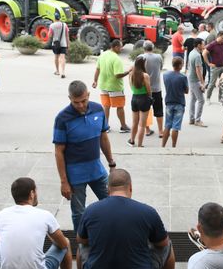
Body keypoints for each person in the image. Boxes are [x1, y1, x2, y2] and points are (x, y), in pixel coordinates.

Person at [75, 169, 180, 269]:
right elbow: (162, 243)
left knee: (81, 246)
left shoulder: (91, 210)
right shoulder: (148, 212)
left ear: (108, 189)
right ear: (130, 187)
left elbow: (82, 240)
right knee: (167, 244)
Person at [53, 80, 115, 232]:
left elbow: (103, 138)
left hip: (97, 170)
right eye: (76, 102)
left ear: (88, 95)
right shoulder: (62, 118)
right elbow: (58, 151)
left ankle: (111, 233)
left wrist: (111, 163)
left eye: (83, 100)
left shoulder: (98, 110)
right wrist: (64, 182)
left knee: (113, 203)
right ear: (70, 99)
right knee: (79, 213)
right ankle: (82, 243)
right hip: (75, 176)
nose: (80, 105)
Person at [0, 177, 73, 269]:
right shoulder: (45, 215)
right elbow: (62, 244)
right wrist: (48, 233)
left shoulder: (2, 214)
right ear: (32, 194)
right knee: (67, 242)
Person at [93, 39, 131, 133]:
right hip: (115, 87)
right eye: (120, 47)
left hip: (103, 85)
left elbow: (97, 69)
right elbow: (118, 75)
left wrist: (95, 81)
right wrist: (128, 71)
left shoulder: (103, 55)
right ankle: (123, 126)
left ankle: (105, 126)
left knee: (106, 106)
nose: (121, 49)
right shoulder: (116, 59)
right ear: (115, 47)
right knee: (120, 107)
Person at [162, 57, 189, 148]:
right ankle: (173, 146)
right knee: (175, 127)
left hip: (169, 102)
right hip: (179, 103)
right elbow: (186, 91)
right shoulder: (183, 77)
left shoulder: (165, 75)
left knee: (167, 125)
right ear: (180, 65)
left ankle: (163, 146)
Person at [140, 41, 164, 138]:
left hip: (144, 89)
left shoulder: (140, 57)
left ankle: (147, 129)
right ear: (153, 48)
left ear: (143, 48)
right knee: (159, 110)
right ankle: (161, 131)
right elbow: (161, 67)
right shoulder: (158, 57)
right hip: (156, 88)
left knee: (146, 110)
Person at [127, 57, 152, 148]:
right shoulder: (145, 75)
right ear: (142, 64)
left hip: (134, 98)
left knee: (134, 122)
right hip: (144, 98)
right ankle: (140, 144)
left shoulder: (131, 74)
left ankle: (132, 140)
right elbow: (149, 89)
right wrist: (150, 97)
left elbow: (131, 86)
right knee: (142, 125)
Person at [203, 31, 223, 103]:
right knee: (212, 84)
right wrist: (208, 63)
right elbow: (204, 53)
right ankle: (208, 98)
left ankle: (220, 99)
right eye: (222, 38)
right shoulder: (212, 44)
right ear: (218, 36)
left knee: (222, 83)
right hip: (215, 67)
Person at [187, 38, 207, 127]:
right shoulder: (197, 56)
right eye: (203, 44)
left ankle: (191, 119)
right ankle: (197, 120)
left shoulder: (192, 52)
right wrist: (202, 83)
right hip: (195, 80)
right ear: (199, 45)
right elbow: (198, 70)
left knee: (193, 99)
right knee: (201, 100)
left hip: (191, 78)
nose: (204, 46)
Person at [49, 11, 69, 79]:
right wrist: (68, 44)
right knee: (63, 58)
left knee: (56, 57)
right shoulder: (65, 25)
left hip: (55, 44)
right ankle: (63, 72)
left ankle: (57, 71)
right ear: (59, 18)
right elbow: (67, 36)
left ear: (54, 18)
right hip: (63, 44)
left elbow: (49, 35)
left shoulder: (52, 25)